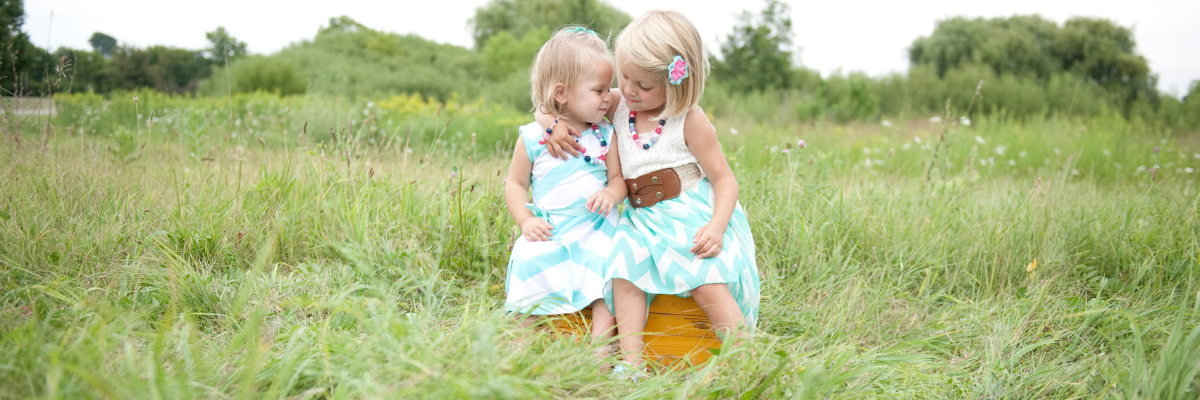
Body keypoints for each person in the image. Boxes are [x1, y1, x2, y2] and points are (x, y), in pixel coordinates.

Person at [538, 10, 760, 371]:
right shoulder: (620, 104)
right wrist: (550, 125)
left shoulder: (689, 118)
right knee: (624, 270)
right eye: (624, 77)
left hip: (687, 213)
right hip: (641, 219)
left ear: (676, 83)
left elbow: (725, 180)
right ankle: (631, 366)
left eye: (642, 85)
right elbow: (554, 105)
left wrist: (717, 227)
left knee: (703, 276)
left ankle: (747, 358)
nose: (627, 89)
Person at [502, 27, 626, 352]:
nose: (608, 97)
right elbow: (515, 184)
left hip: (596, 225)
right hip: (551, 226)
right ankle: (520, 342)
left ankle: (602, 349)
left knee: (610, 267)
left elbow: (618, 180)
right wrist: (525, 221)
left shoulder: (606, 134)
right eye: (599, 90)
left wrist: (611, 195)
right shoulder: (532, 137)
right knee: (528, 260)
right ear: (562, 93)